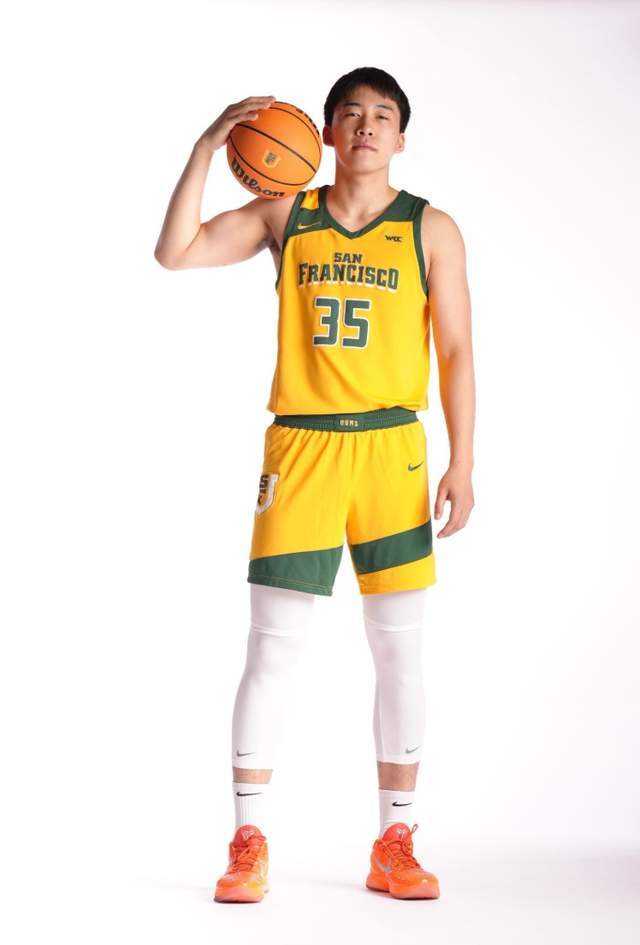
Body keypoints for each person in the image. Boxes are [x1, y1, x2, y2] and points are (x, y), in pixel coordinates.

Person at [154, 66, 475, 903]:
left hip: (392, 449)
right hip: (300, 449)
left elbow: (455, 351)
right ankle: (248, 839)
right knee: (272, 647)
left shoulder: (431, 227)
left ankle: (396, 839)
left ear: (401, 136)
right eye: (350, 113)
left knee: (399, 649)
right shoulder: (285, 213)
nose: (366, 125)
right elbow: (175, 251)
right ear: (326, 131)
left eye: (383, 115)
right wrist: (205, 148)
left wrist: (463, 460)